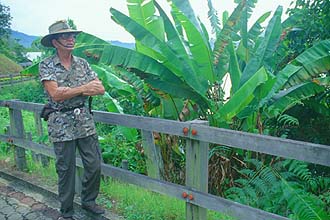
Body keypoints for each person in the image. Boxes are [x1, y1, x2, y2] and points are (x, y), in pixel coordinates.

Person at [39, 20, 105, 220]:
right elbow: (55, 95)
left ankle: (88, 201)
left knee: (94, 164)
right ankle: (66, 211)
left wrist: (70, 91)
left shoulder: (82, 63)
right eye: (65, 36)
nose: (71, 39)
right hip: (60, 123)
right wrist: (84, 88)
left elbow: (100, 88)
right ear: (55, 42)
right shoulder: (46, 65)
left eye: (73, 36)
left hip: (84, 120)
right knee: (66, 169)